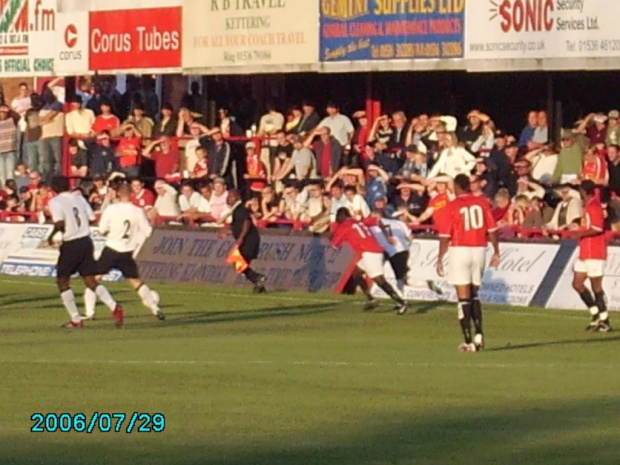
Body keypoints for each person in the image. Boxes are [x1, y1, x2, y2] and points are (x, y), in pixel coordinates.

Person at [47, 176, 123, 328]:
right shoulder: (79, 198)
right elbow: (91, 217)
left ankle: (76, 319)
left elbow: (60, 222)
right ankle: (114, 307)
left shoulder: (55, 202)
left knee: (62, 281)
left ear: (53, 189)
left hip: (71, 244)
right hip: (86, 241)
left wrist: (51, 236)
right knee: (90, 280)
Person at [436, 174, 500, 353]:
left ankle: (468, 341)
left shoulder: (452, 205)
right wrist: (496, 251)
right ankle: (479, 335)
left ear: (457, 187)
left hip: (460, 249)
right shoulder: (482, 202)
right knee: (474, 294)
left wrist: (440, 258)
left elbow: (445, 236)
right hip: (479, 249)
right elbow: (493, 229)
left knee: (463, 297)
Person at [82, 183, 164, 321]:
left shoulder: (111, 209)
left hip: (112, 249)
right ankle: (155, 309)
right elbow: (148, 232)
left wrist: (110, 232)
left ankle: (89, 312)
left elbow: (101, 230)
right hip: (127, 251)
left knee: (93, 279)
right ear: (131, 194)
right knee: (136, 282)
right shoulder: (138, 211)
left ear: (118, 194)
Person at [331, 207, 407, 314]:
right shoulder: (360, 221)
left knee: (379, 280)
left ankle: (401, 302)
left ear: (340, 217)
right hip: (371, 251)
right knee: (356, 273)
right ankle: (371, 299)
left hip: (370, 253)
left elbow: (334, 245)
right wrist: (386, 236)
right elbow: (377, 220)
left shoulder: (343, 227)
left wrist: (334, 230)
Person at [569, 180, 611, 332]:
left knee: (596, 287)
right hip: (585, 251)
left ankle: (605, 320)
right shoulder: (588, 206)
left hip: (595, 252)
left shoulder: (594, 206)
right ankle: (595, 314)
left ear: (583, 191)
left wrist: (580, 233)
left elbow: (597, 228)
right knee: (577, 284)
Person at [219, 189, 267, 293]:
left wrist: (240, 238)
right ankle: (259, 285)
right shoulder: (237, 210)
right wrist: (228, 232)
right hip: (248, 239)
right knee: (241, 264)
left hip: (248, 240)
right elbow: (239, 226)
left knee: (238, 262)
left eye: (231, 196)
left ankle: (258, 278)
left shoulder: (240, 209)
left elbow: (247, 223)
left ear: (237, 197)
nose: (228, 199)